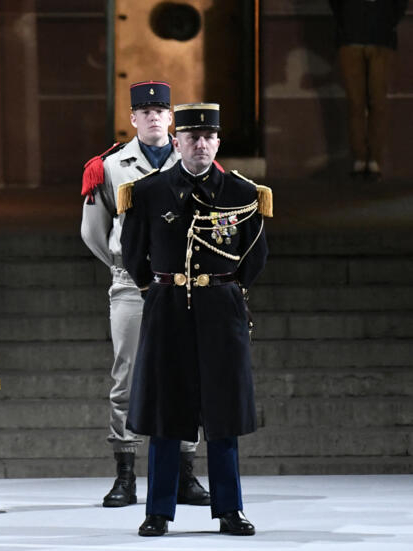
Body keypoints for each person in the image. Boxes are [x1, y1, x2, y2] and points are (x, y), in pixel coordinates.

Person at [118, 103, 272, 536]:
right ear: (177, 141)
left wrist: (223, 286)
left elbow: (256, 256)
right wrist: (163, 286)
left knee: (223, 411)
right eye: (191, 137)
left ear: (218, 142)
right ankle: (158, 511)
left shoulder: (243, 193)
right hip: (168, 308)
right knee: (166, 412)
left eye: (208, 137)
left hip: (221, 310)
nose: (200, 143)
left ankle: (229, 509)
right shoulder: (148, 192)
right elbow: (134, 254)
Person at [80, 81, 210, 508]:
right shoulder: (111, 166)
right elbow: (95, 232)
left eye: (161, 110)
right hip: (133, 285)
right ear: (132, 119)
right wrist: (126, 268)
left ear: (171, 118)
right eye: (145, 110)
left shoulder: (192, 158)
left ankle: (184, 473)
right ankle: (125, 474)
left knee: (186, 373)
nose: (154, 116)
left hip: (183, 283)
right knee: (127, 376)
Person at [330, 0, 407, 179]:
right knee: (356, 103)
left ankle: (373, 160)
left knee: (377, 102)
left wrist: (387, 23)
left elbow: (401, 5)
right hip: (353, 37)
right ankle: (360, 158)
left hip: (379, 37)